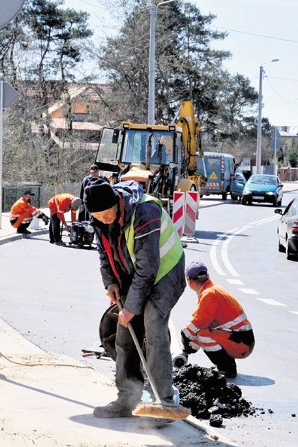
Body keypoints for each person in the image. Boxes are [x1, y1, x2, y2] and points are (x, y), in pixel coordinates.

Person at [84, 177, 186, 418]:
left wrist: (132, 308)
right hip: (136, 273)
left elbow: (149, 267)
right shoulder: (100, 217)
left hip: (166, 272)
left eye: (107, 215)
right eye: (98, 217)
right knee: (124, 332)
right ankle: (127, 399)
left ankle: (164, 401)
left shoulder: (144, 212)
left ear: (117, 203)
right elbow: (104, 252)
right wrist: (109, 281)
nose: (104, 220)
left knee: (152, 326)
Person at [180, 261, 254, 379]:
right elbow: (198, 319)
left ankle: (227, 368)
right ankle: (227, 363)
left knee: (203, 334)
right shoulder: (211, 290)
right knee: (200, 331)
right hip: (240, 340)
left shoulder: (209, 295)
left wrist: (185, 335)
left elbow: (198, 323)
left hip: (241, 344)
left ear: (190, 280)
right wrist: (188, 349)